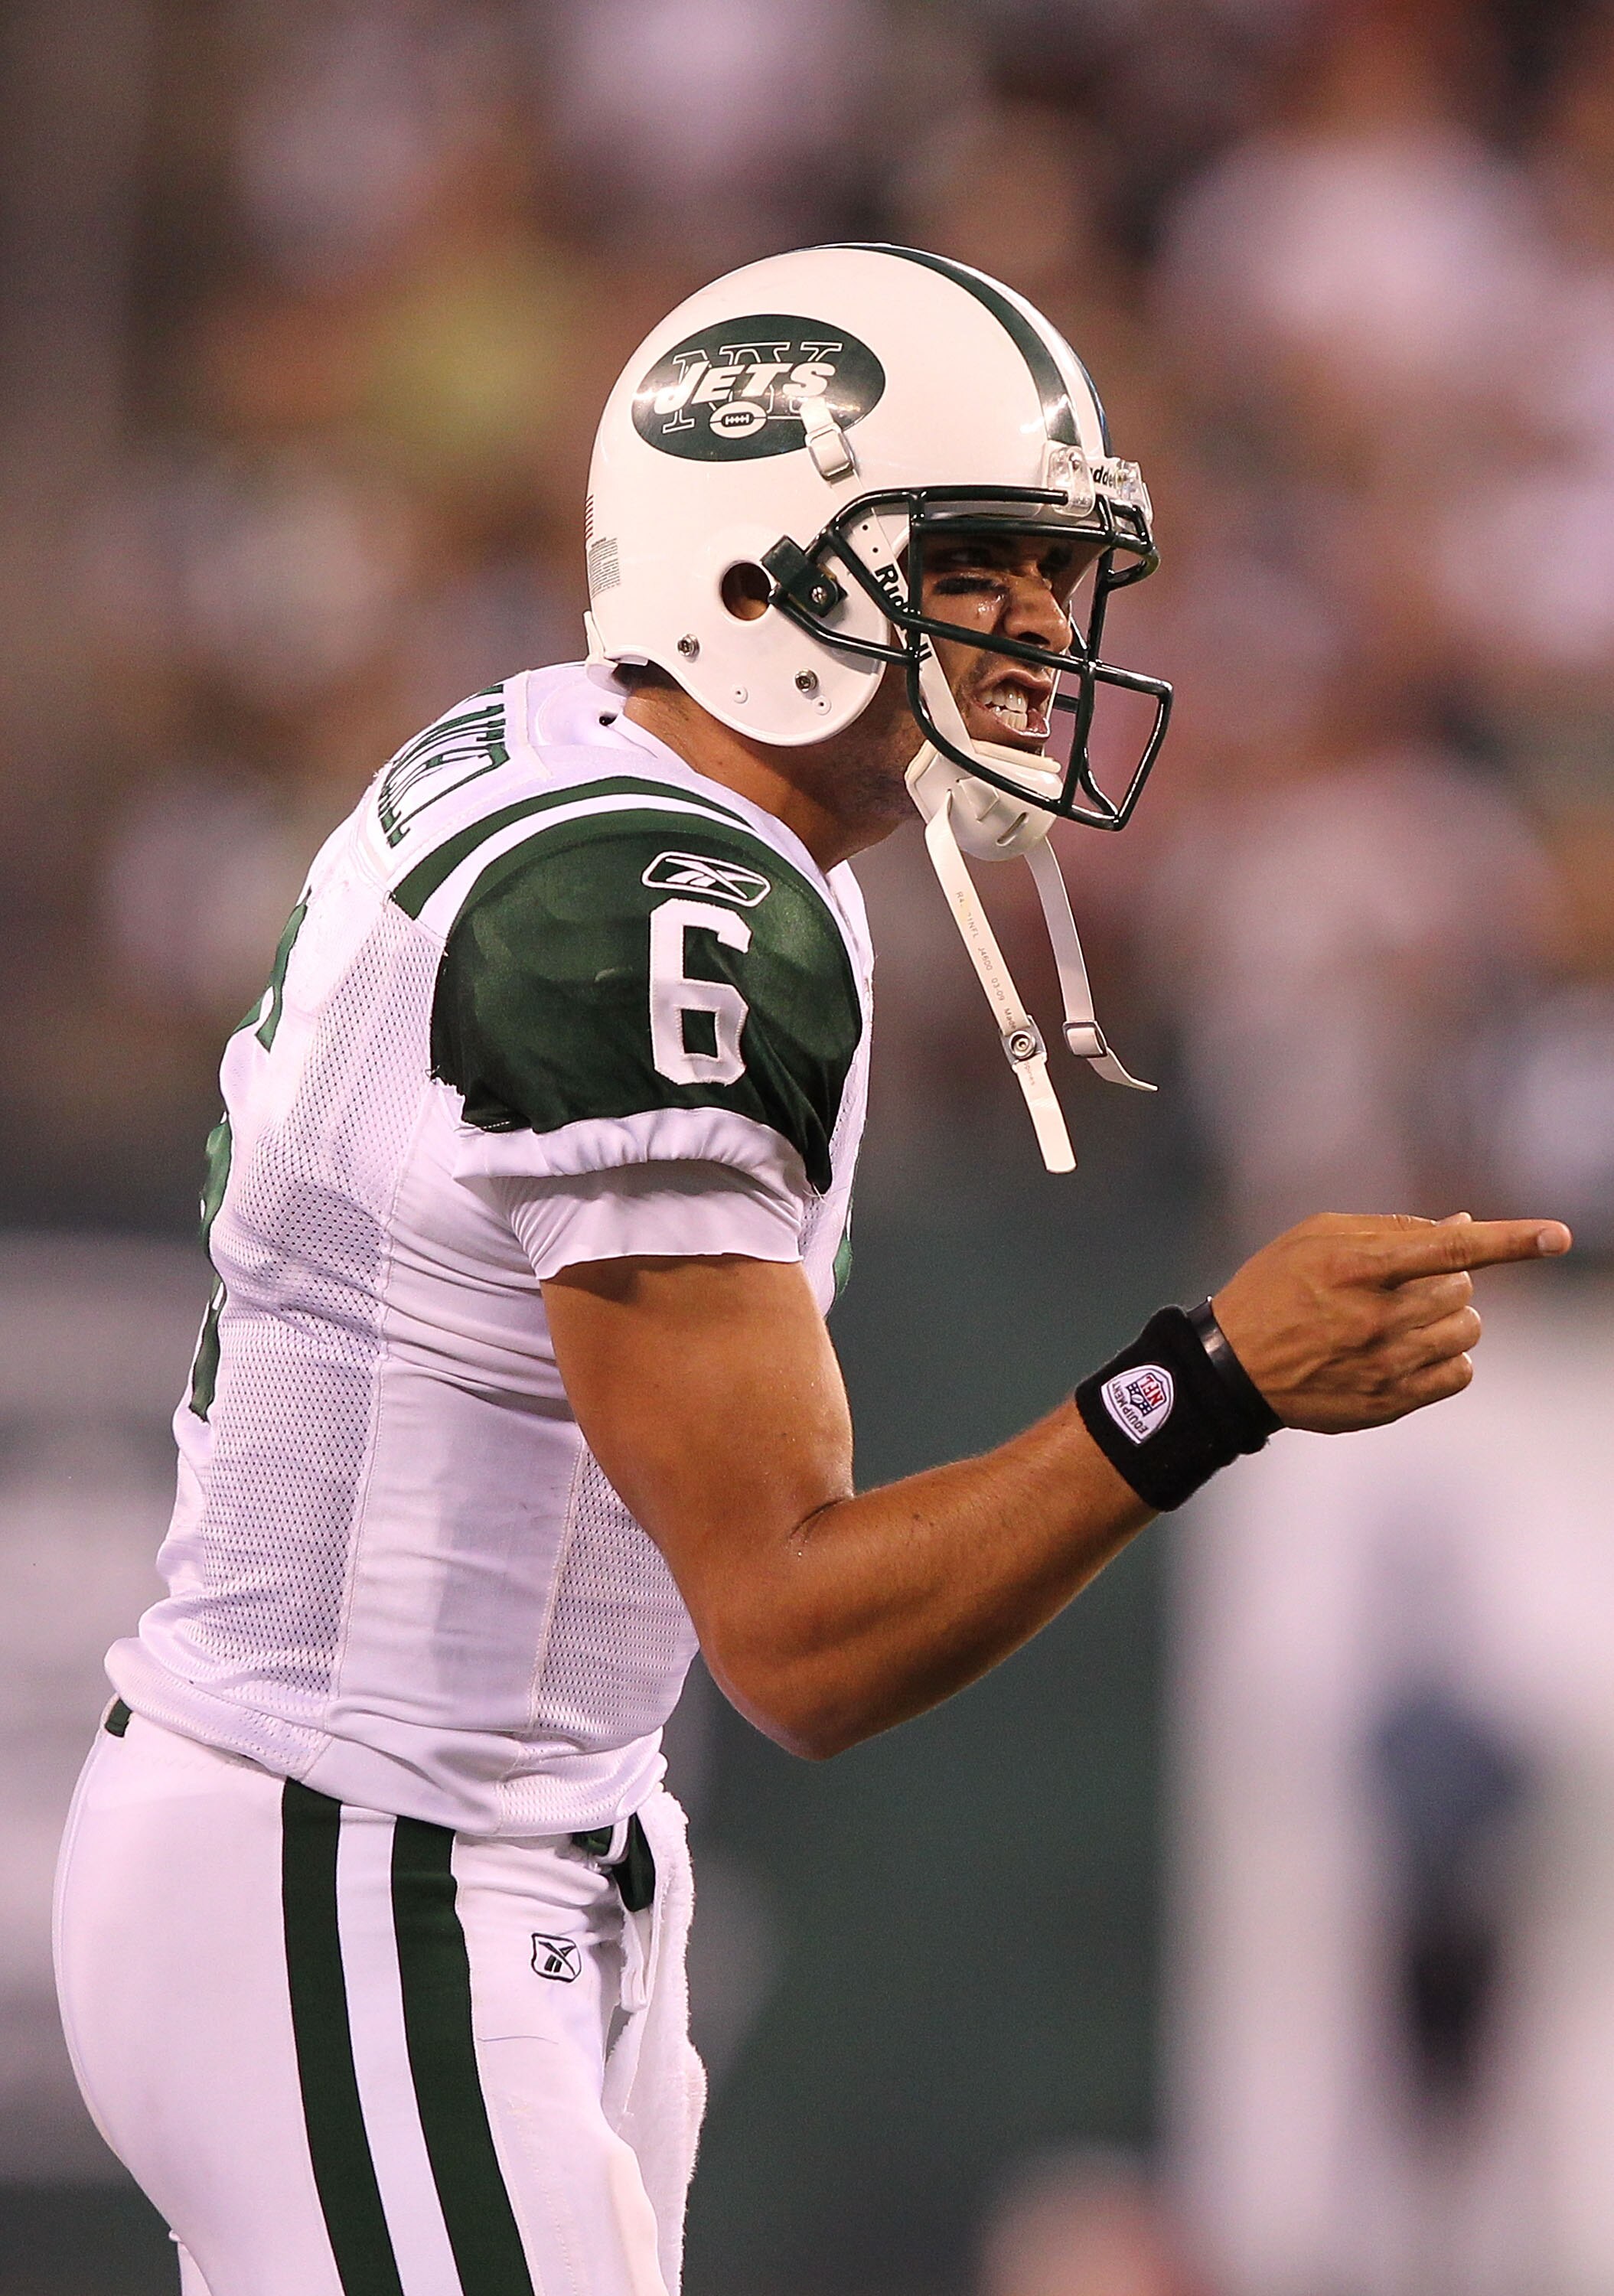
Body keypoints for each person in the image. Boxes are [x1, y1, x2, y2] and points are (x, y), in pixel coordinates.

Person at [52, 243, 1569, 2296]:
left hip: (446, 1840)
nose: (1042, 637)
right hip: (364, 1858)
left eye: (1059, 577)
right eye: (974, 569)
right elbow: (798, 1639)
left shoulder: (634, 792)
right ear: (753, 577)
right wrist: (1207, 1382)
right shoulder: (646, 905)